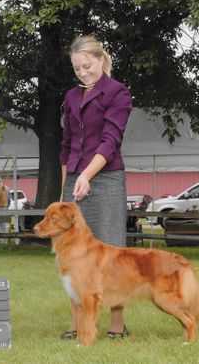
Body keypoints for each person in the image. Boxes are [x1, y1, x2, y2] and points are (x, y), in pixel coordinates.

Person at [60, 35, 133, 340]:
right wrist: (63, 192)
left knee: (111, 256)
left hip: (105, 179)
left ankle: (117, 326)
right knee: (73, 255)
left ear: (101, 60)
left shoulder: (118, 93)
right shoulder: (70, 97)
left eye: (87, 66)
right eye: (77, 69)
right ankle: (80, 326)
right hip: (75, 178)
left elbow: (110, 140)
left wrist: (88, 176)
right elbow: (65, 147)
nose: (83, 73)